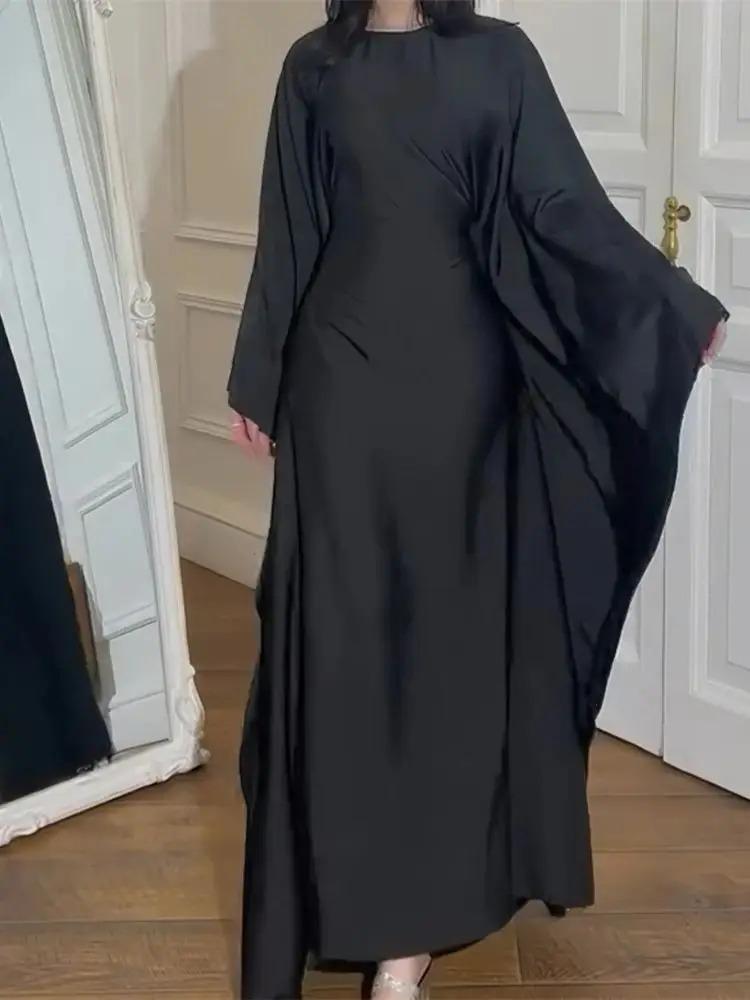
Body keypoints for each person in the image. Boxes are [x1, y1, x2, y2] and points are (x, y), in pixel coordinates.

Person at [227, 2, 729, 997]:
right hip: (338, 394)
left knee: (449, 661)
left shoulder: (500, 58)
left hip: (464, 395)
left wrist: (668, 307)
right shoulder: (311, 67)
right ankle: (349, 898)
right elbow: (290, 227)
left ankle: (406, 943)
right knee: (340, 650)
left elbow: (561, 207)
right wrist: (257, 377)